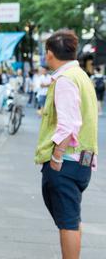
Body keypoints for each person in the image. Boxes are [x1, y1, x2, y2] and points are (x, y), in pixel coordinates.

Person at [35, 30, 98, 259]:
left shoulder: (65, 80)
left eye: (46, 52)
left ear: (50, 54)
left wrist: (56, 156)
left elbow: (68, 124)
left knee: (68, 222)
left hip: (67, 161)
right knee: (72, 218)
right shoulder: (82, 76)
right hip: (83, 160)